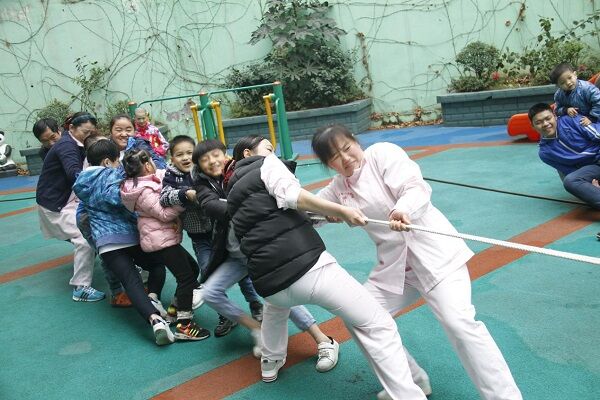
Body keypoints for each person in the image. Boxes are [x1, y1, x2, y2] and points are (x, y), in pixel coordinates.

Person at [312, 125, 522, 400]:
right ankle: (412, 383)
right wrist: (327, 211)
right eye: (335, 157)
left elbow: (415, 188)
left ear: (355, 141)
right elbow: (309, 207)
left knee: (459, 324)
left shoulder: (382, 154)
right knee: (358, 316)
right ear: (329, 165)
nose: (345, 159)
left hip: (438, 259)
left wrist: (403, 209)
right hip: (395, 270)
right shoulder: (339, 187)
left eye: (347, 148)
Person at [226, 135, 427, 398]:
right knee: (379, 324)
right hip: (309, 270)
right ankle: (410, 393)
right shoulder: (267, 164)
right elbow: (292, 195)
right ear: (248, 153)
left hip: (270, 286)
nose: (273, 153)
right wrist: (341, 210)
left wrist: (323, 214)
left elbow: (271, 219)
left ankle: (269, 363)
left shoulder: (232, 191)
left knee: (275, 311)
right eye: (269, 149)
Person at [192, 139, 339, 370]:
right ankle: (256, 328)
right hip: (235, 256)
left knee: (281, 294)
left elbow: (287, 199)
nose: (212, 161)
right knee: (210, 292)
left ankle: (323, 339)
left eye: (215, 155)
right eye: (204, 159)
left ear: (226, 154)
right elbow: (213, 206)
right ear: (199, 166)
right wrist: (249, 202)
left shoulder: (252, 172)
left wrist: (325, 213)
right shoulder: (204, 186)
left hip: (260, 253)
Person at [159, 135, 263, 334]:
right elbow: (164, 198)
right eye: (179, 154)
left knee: (243, 270)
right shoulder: (171, 176)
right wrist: (184, 194)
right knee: (208, 272)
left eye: (189, 153)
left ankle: (254, 303)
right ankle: (225, 315)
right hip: (200, 237)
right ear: (172, 159)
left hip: (221, 234)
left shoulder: (205, 171)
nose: (185, 157)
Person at [73, 139, 173, 345]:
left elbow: (82, 217)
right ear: (107, 162)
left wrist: (95, 242)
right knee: (157, 265)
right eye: (117, 161)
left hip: (105, 243)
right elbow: (123, 198)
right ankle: (153, 299)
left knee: (130, 282)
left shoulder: (82, 184)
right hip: (128, 235)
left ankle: (155, 321)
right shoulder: (114, 175)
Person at [120, 148, 210, 341]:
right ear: (147, 165)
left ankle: (173, 310)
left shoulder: (146, 180)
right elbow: (163, 214)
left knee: (192, 269)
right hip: (160, 240)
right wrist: (183, 198)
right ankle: (185, 324)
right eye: (152, 160)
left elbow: (165, 174)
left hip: (163, 237)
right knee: (186, 278)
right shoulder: (143, 191)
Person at [35, 112, 105, 302]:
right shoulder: (67, 145)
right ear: (71, 128)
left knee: (97, 227)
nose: (88, 136)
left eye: (91, 132)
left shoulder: (76, 143)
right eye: (85, 132)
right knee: (84, 237)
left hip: (68, 201)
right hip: (56, 206)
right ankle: (80, 287)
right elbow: (74, 173)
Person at [529, 102, 600, 209]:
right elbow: (572, 172)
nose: (545, 124)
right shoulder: (545, 153)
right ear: (533, 126)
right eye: (538, 122)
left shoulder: (570, 120)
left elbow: (598, 135)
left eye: (548, 118)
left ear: (554, 116)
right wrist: (591, 188)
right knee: (570, 181)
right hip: (594, 169)